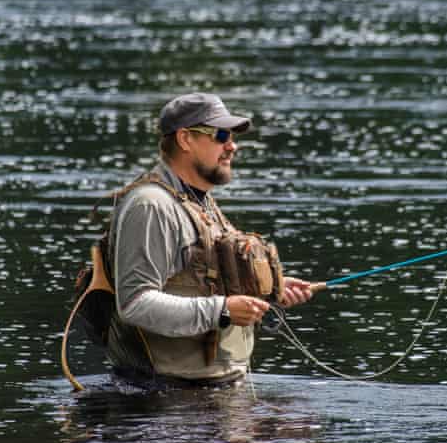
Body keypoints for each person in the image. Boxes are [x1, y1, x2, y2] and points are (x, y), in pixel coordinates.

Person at [102, 92, 313, 385]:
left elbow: (199, 278)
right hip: (162, 401)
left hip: (208, 394)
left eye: (232, 136)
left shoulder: (199, 200)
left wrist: (270, 289)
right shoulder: (151, 206)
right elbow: (135, 303)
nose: (232, 146)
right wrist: (223, 310)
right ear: (185, 139)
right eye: (221, 135)